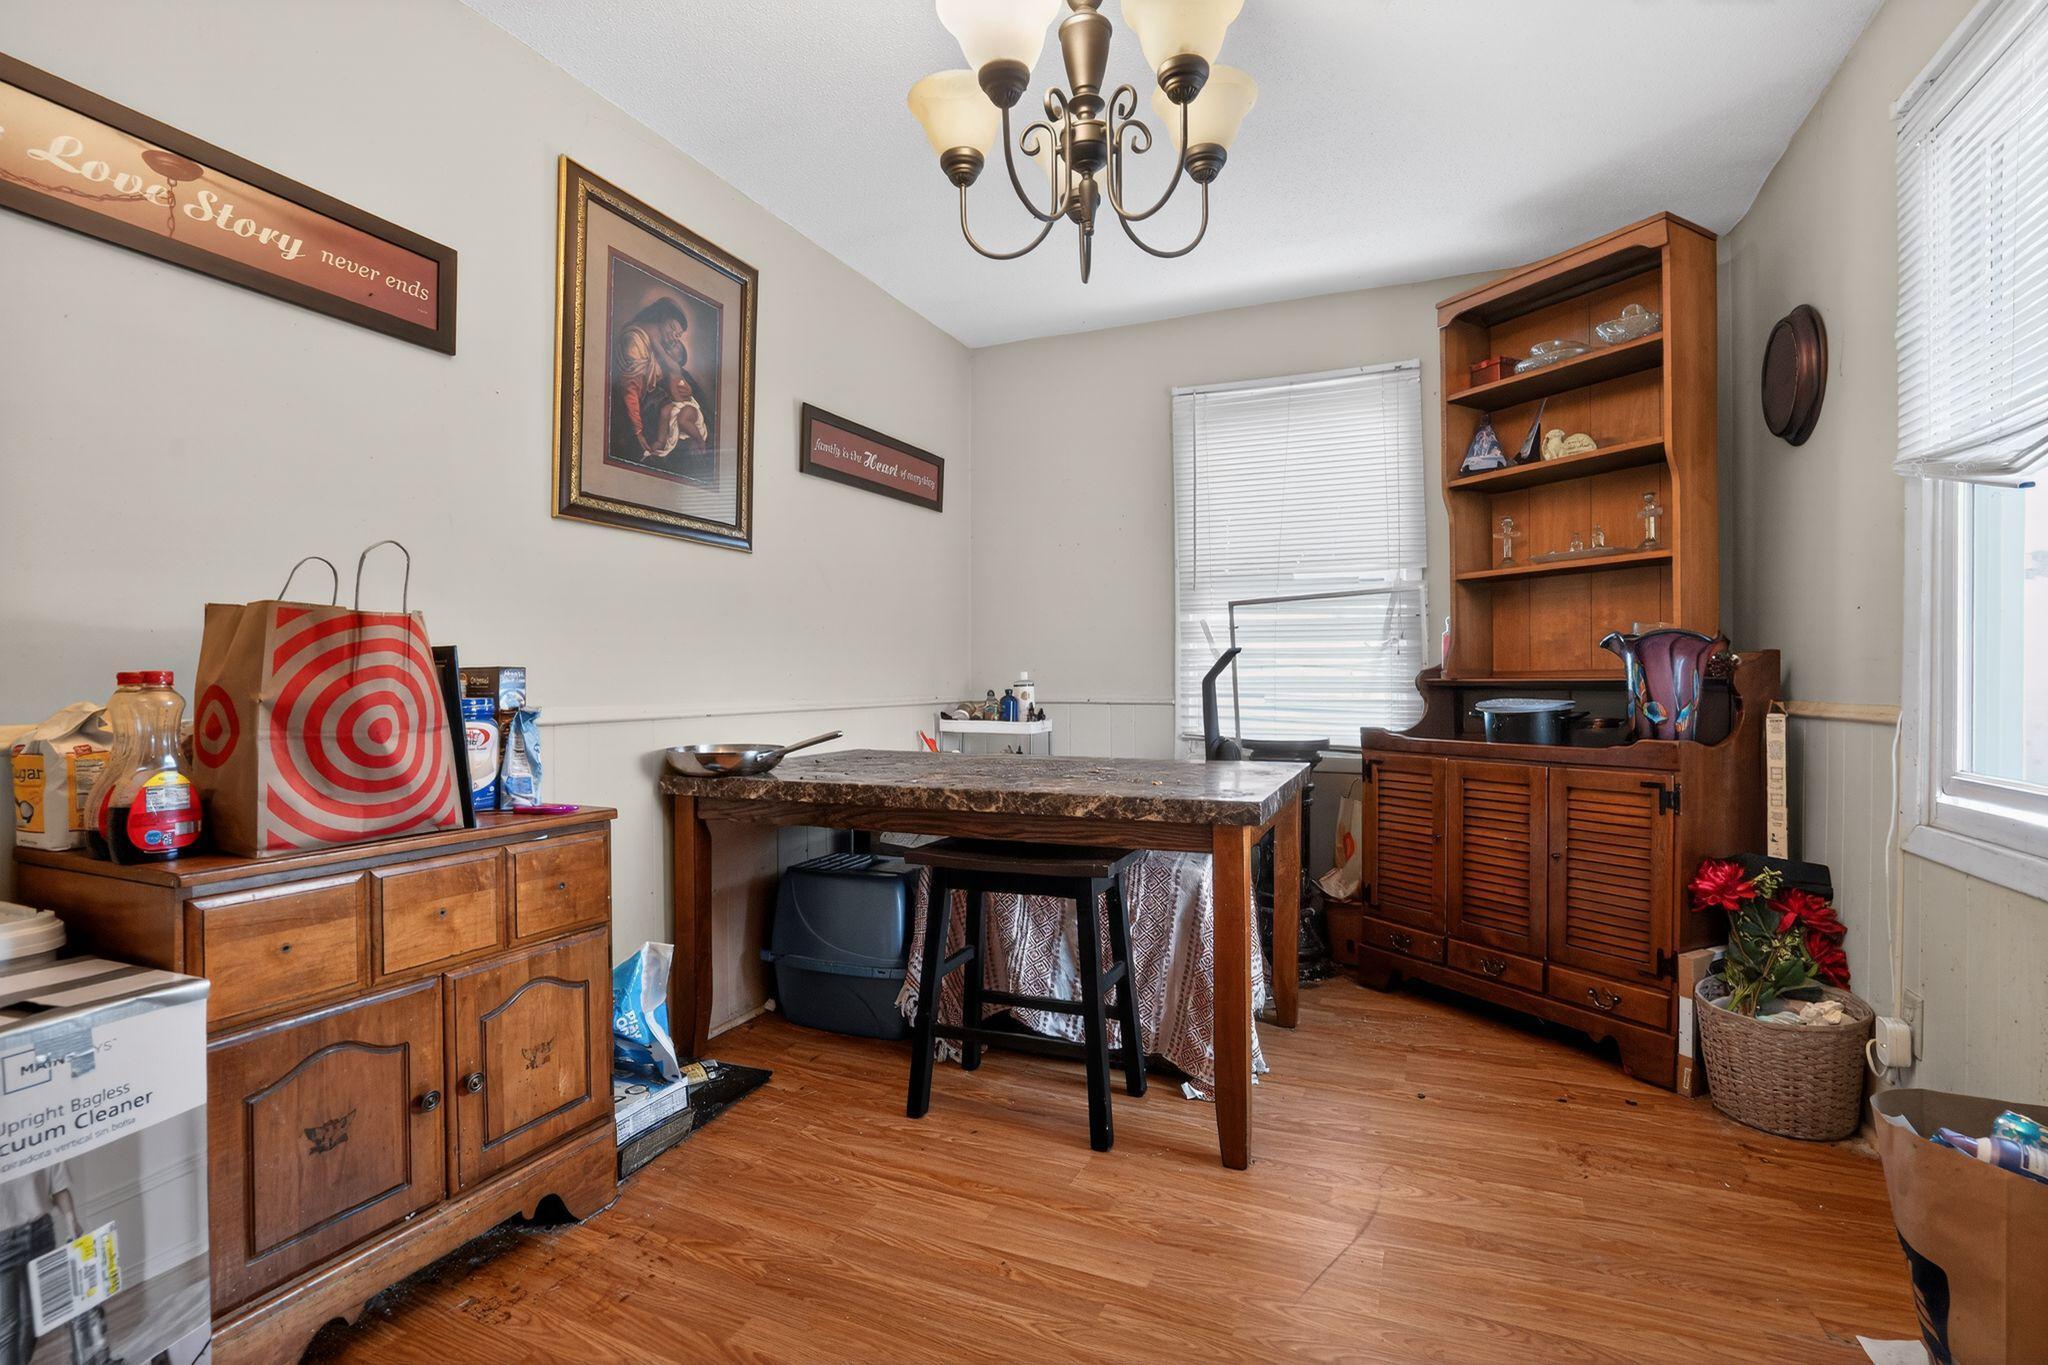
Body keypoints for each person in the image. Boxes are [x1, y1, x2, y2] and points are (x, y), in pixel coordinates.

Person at [0, 1163, 112, 1365]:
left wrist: (72, 1222)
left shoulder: (38, 1142)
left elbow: (58, 1185)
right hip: (2, 1242)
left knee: (32, 1322)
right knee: (7, 1328)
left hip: (40, 1234)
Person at [609, 297, 711, 468]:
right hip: (637, 405)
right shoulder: (635, 342)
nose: (674, 337)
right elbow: (631, 390)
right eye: (672, 328)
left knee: (699, 404)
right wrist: (638, 431)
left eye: (678, 335)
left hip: (669, 400)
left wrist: (687, 389)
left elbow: (669, 373)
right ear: (661, 318)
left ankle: (701, 442)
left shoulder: (661, 346)